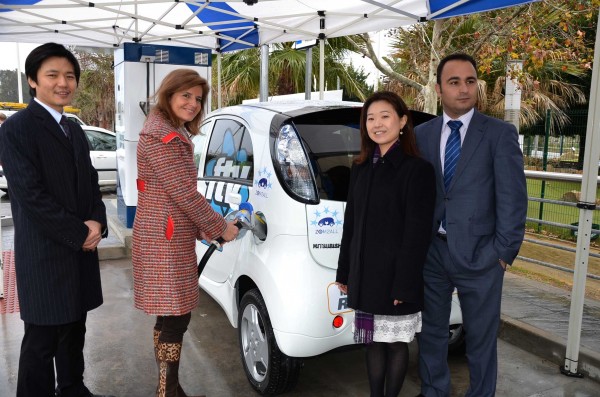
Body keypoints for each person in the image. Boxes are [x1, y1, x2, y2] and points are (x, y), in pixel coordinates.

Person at [0, 43, 113, 397]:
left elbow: (91, 181)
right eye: (53, 75)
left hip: (79, 248)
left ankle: (72, 387)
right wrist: (78, 232)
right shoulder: (17, 129)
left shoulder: (74, 129)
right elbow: (30, 195)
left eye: (69, 76)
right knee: (42, 337)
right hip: (44, 253)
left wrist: (96, 221)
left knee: (74, 326)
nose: (63, 83)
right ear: (32, 80)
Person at [415, 53, 527, 397]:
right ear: (438, 89)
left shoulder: (499, 134)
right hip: (433, 253)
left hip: (482, 257)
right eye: (454, 82)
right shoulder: (421, 135)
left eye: (470, 81)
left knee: (480, 339)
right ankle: (435, 391)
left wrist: (502, 253)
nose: (464, 89)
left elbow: (513, 199)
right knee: (431, 333)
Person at [132, 68, 239, 397]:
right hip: (163, 241)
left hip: (164, 235)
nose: (193, 103)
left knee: (169, 315)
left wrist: (201, 231)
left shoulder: (165, 130)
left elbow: (173, 196)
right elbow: (184, 194)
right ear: (169, 94)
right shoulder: (161, 136)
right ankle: (168, 390)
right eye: (186, 96)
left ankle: (168, 387)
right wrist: (220, 227)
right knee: (176, 317)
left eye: (198, 98)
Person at [336, 91, 436, 397]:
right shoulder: (361, 168)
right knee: (373, 342)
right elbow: (350, 225)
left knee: (395, 344)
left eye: (385, 116)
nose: (377, 124)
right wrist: (344, 274)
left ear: (403, 121)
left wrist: (404, 285)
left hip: (395, 279)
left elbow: (417, 235)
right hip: (365, 278)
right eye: (370, 118)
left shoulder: (417, 170)